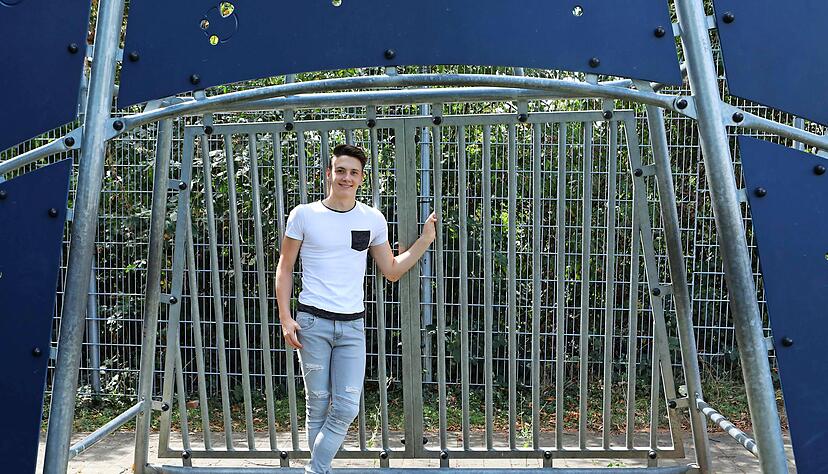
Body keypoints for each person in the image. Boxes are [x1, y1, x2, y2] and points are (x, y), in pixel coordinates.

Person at [275, 144, 437, 474]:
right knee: (317, 404)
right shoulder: (303, 215)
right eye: (340, 171)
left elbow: (390, 270)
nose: (346, 177)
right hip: (311, 322)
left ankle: (314, 470)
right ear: (328, 174)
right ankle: (320, 470)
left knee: (346, 407)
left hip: (352, 327)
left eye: (353, 172)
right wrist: (285, 317)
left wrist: (424, 241)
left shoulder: (372, 218)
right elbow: (285, 266)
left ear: (361, 179)